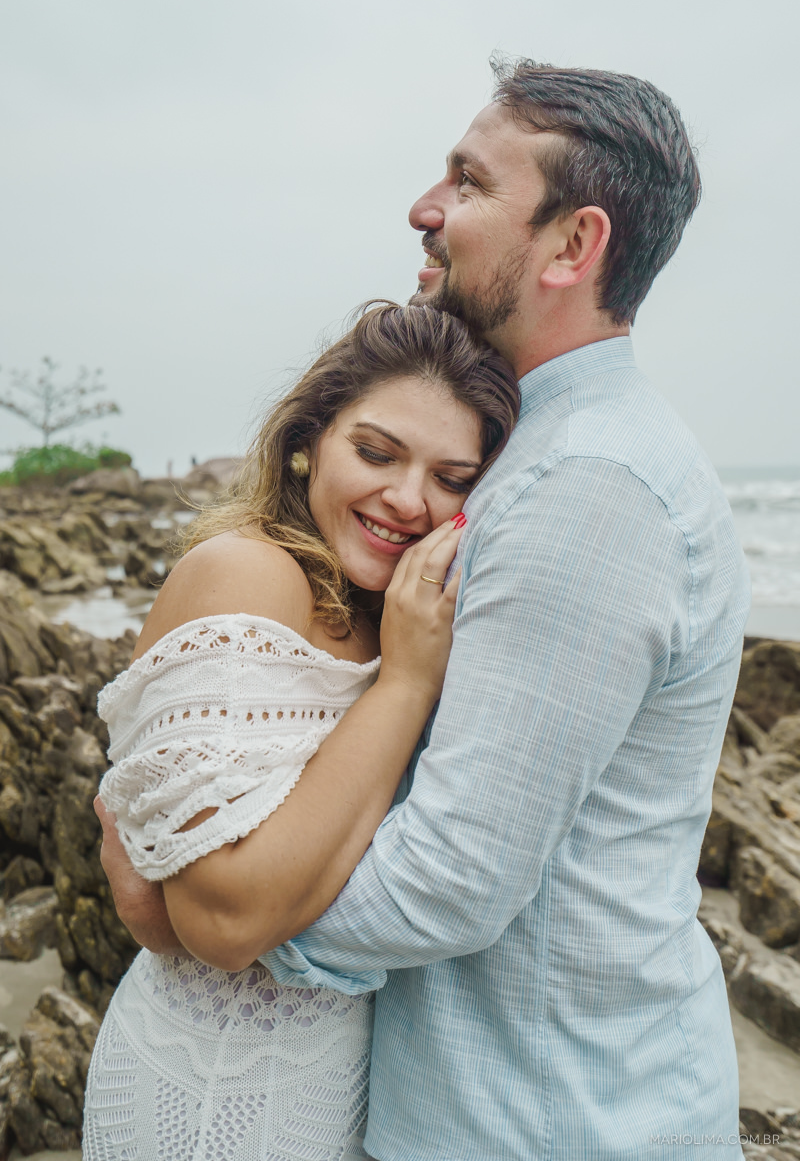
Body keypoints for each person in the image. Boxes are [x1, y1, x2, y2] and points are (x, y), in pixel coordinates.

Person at [102, 60, 751, 1160]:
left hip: (540, 1116)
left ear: (569, 246)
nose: (423, 206)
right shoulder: (522, 452)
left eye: (466, 180)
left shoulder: (585, 484)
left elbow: (449, 878)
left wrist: (213, 919)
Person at [82, 301, 520, 1160]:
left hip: (339, 1078)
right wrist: (405, 684)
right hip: (206, 1089)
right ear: (306, 441)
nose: (407, 498)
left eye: (452, 478)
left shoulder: (395, 613)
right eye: (376, 452)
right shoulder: (246, 573)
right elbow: (226, 920)